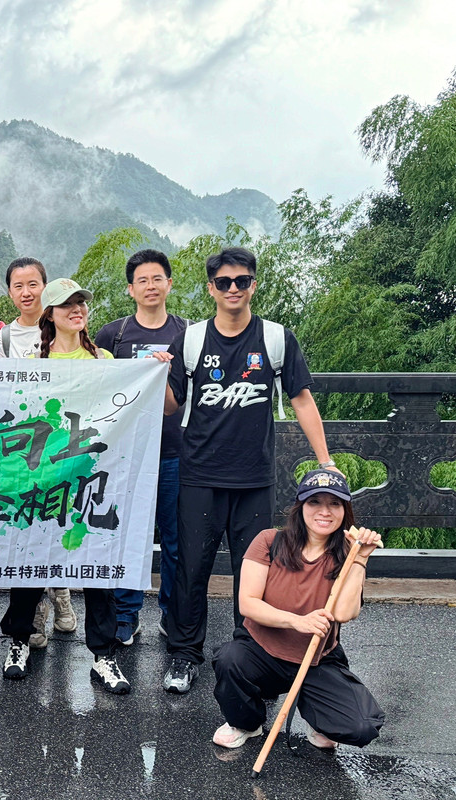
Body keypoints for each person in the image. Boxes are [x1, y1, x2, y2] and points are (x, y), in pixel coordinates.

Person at [162, 246, 337, 694]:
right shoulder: (192, 340)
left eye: (241, 281)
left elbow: (301, 400)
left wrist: (326, 461)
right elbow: (170, 405)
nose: (233, 289)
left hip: (254, 477)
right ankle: (184, 655)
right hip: (199, 474)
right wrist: (155, 374)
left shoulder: (276, 339)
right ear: (211, 289)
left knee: (256, 572)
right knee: (190, 570)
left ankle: (250, 653)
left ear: (253, 285)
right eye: (224, 282)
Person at [0, 277, 130, 693]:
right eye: (67, 304)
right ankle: (19, 641)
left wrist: (155, 367)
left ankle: (104, 655)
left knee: (96, 569)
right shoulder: (31, 361)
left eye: (81, 303)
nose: (77, 310)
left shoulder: (104, 359)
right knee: (31, 563)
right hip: (43, 481)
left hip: (90, 479)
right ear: (50, 315)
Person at [211, 469, 385, 750]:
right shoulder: (269, 541)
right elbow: (248, 603)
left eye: (334, 503)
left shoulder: (347, 552)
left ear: (345, 510)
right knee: (230, 660)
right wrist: (297, 621)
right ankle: (246, 723)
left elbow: (344, 614)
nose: (324, 511)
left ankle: (319, 718)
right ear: (300, 506)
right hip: (261, 651)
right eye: (315, 502)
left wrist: (360, 558)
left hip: (317, 658)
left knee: (361, 727)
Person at [94, 249, 187, 646]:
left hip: (174, 452)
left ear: (169, 283)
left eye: (157, 278)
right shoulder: (112, 336)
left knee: (176, 541)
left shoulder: (189, 334)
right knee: (127, 537)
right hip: (126, 455)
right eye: (142, 280)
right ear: (130, 289)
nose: (151, 286)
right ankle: (125, 615)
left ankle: (173, 614)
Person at [0, 258, 77, 647]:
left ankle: (60, 593)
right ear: (9, 292)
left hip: (63, 447)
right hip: (24, 451)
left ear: (46, 288)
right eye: (18, 285)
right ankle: (35, 612)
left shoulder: (66, 327)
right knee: (27, 533)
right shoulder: (5, 339)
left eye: (33, 284)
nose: (26, 292)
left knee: (56, 525)